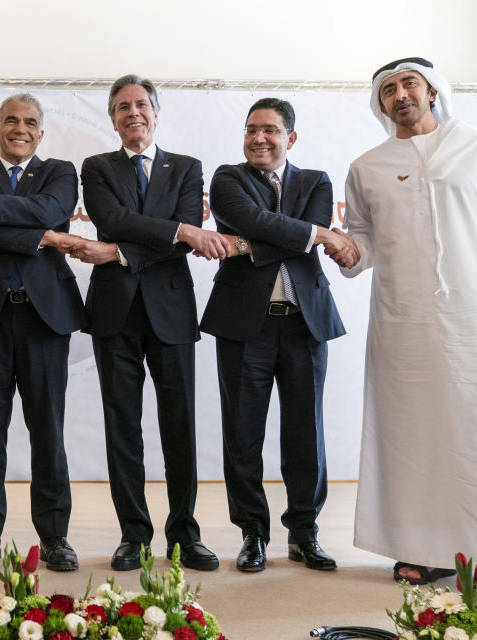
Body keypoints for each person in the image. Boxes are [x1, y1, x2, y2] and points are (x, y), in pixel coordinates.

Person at [332, 57, 477, 587]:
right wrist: (346, 252)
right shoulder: (367, 166)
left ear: (432, 91)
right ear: (380, 104)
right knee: (414, 437)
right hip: (403, 320)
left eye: (409, 83)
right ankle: (425, 549)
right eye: (388, 89)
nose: (400, 94)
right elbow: (364, 243)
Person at [68, 74, 231, 572]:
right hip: (114, 313)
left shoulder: (186, 167)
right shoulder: (96, 167)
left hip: (172, 312)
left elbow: (175, 242)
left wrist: (120, 252)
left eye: (141, 104)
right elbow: (112, 218)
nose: (132, 112)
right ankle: (133, 535)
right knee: (123, 428)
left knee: (179, 427)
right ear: (113, 118)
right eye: (122, 107)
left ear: (156, 113)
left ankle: (185, 533)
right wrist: (179, 229)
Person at [201, 98, 347, 573]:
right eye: (250, 129)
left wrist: (247, 245)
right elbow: (262, 223)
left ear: (291, 138)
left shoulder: (316, 181)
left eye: (269, 130)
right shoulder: (227, 178)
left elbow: (269, 233)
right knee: (243, 433)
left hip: (305, 323)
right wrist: (312, 236)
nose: (258, 138)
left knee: (307, 432)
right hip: (246, 324)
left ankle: (304, 533)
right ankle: (252, 534)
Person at [0, 94, 87, 572]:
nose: (19, 128)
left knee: (48, 430)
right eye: (10, 120)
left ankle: (55, 537)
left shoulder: (61, 171)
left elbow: (51, 208)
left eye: (29, 122)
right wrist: (45, 237)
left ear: (41, 133)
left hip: (45, 318)